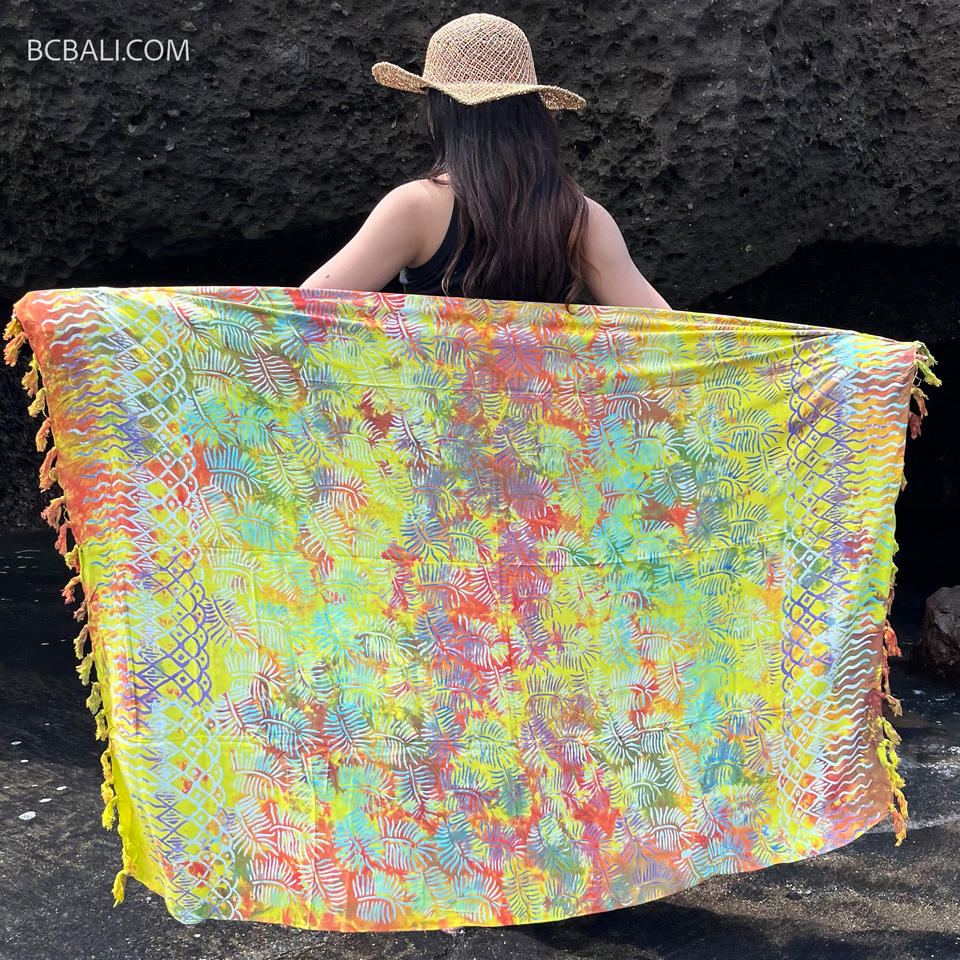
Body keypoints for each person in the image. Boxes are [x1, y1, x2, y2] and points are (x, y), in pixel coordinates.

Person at [301, 12, 671, 311]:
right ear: (533, 114)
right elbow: (675, 336)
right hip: (536, 386)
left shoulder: (415, 207)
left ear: (440, 114)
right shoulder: (583, 218)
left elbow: (300, 312)